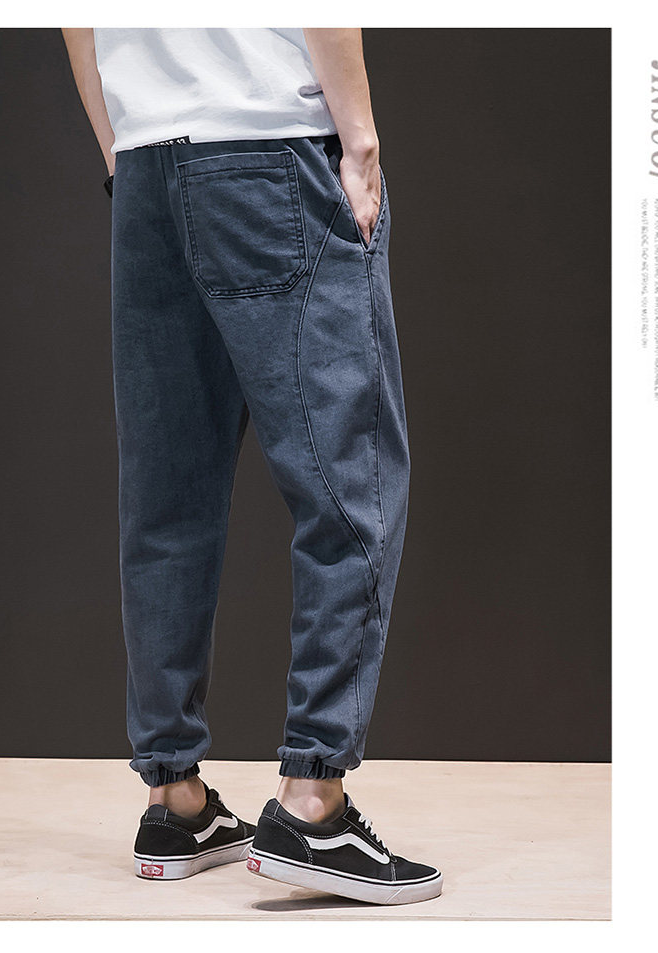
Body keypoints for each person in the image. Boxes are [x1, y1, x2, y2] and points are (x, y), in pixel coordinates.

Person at [62, 27, 442, 905]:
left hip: (148, 165)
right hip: (272, 148)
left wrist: (124, 146)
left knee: (166, 497)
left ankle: (173, 799)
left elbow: (73, 20)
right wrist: (360, 141)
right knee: (351, 483)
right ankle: (312, 804)